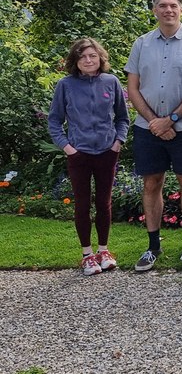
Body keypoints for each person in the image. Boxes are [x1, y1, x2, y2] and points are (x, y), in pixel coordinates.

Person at [126, 0, 182, 271]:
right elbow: (132, 88)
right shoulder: (141, 44)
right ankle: (153, 246)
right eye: (162, 6)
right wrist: (154, 122)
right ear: (154, 10)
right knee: (151, 183)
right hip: (148, 128)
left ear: (181, 10)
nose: (168, 10)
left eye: (173, 5)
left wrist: (170, 119)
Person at [48, 38, 129, 275]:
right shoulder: (66, 85)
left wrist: (118, 142)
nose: (88, 60)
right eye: (82, 56)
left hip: (107, 152)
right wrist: (67, 148)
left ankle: (104, 251)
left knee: (104, 203)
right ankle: (87, 255)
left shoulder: (111, 82)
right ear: (75, 60)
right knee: (82, 204)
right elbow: (54, 121)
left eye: (93, 55)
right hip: (79, 153)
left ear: (100, 58)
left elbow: (123, 118)